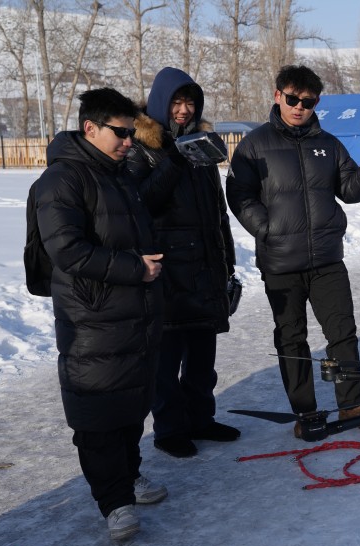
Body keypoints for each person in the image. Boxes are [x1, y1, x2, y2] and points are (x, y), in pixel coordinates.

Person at [226, 65, 360, 438]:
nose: (299, 107)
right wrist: (268, 230)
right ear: (278, 96)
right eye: (292, 99)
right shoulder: (254, 144)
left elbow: (350, 190)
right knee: (291, 339)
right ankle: (306, 412)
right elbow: (238, 195)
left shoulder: (329, 144)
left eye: (308, 101)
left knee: (342, 332)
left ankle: (352, 404)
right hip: (280, 263)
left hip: (326, 260)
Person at [31, 87, 168, 541]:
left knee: (131, 402)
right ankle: (114, 502)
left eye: (132, 133)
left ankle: (128, 476)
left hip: (134, 311)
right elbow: (67, 250)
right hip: (91, 316)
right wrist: (135, 269)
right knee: (97, 413)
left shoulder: (118, 174)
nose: (129, 141)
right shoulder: (62, 180)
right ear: (90, 128)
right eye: (120, 132)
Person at [126, 67, 240, 458]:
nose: (184, 109)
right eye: (177, 101)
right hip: (167, 271)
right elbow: (141, 203)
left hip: (205, 268)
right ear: (161, 101)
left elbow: (217, 211)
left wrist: (228, 261)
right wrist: (173, 160)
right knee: (166, 361)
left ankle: (201, 419)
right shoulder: (140, 146)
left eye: (190, 102)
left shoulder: (201, 144)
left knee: (202, 358)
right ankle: (170, 429)